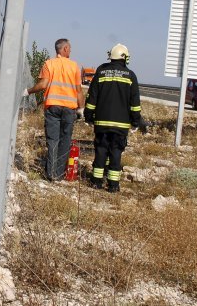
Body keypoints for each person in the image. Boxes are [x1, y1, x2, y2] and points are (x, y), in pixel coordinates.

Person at [84, 43, 142, 193]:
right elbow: (135, 104)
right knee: (116, 152)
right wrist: (136, 122)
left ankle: (96, 181)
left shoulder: (101, 72)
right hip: (121, 125)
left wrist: (88, 116)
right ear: (125, 57)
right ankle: (113, 185)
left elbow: (92, 98)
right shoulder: (130, 76)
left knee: (101, 150)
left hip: (101, 122)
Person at [26, 39, 84, 181]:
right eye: (69, 48)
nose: (70, 51)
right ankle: (58, 174)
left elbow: (42, 85)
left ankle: (51, 174)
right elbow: (79, 91)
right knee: (65, 140)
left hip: (53, 107)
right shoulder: (74, 66)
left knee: (53, 140)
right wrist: (81, 108)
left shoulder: (49, 64)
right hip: (69, 109)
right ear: (64, 49)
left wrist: (28, 91)